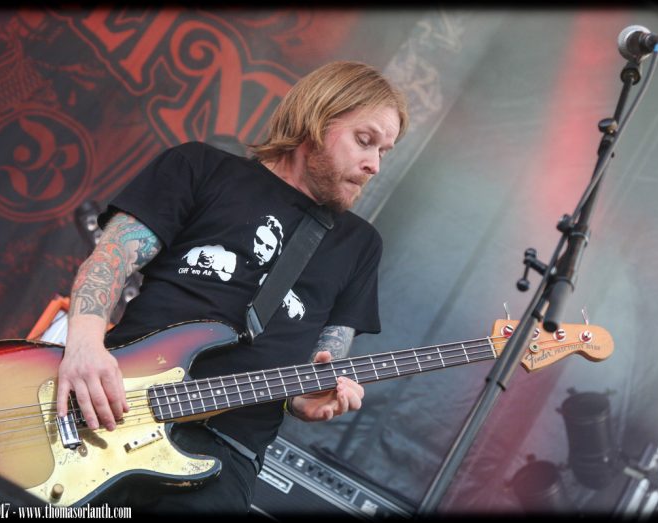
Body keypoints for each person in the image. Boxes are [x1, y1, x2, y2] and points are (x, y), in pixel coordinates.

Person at [56, 60, 409, 514]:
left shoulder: (359, 245)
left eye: (385, 151)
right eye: (365, 140)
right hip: (113, 408)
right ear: (317, 120)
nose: (374, 164)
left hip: (225, 456)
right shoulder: (200, 167)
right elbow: (109, 261)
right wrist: (84, 346)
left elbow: (323, 361)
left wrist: (306, 397)